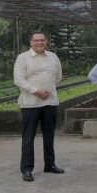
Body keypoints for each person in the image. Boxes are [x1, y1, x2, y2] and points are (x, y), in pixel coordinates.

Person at [14, 31, 64, 182]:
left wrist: (48, 89)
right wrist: (37, 91)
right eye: (36, 40)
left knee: (49, 135)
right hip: (30, 104)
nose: (39, 43)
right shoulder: (23, 58)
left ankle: (50, 164)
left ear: (46, 42)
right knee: (28, 137)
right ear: (31, 42)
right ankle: (27, 169)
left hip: (50, 102)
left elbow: (58, 76)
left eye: (42, 40)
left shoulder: (53, 57)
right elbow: (18, 80)